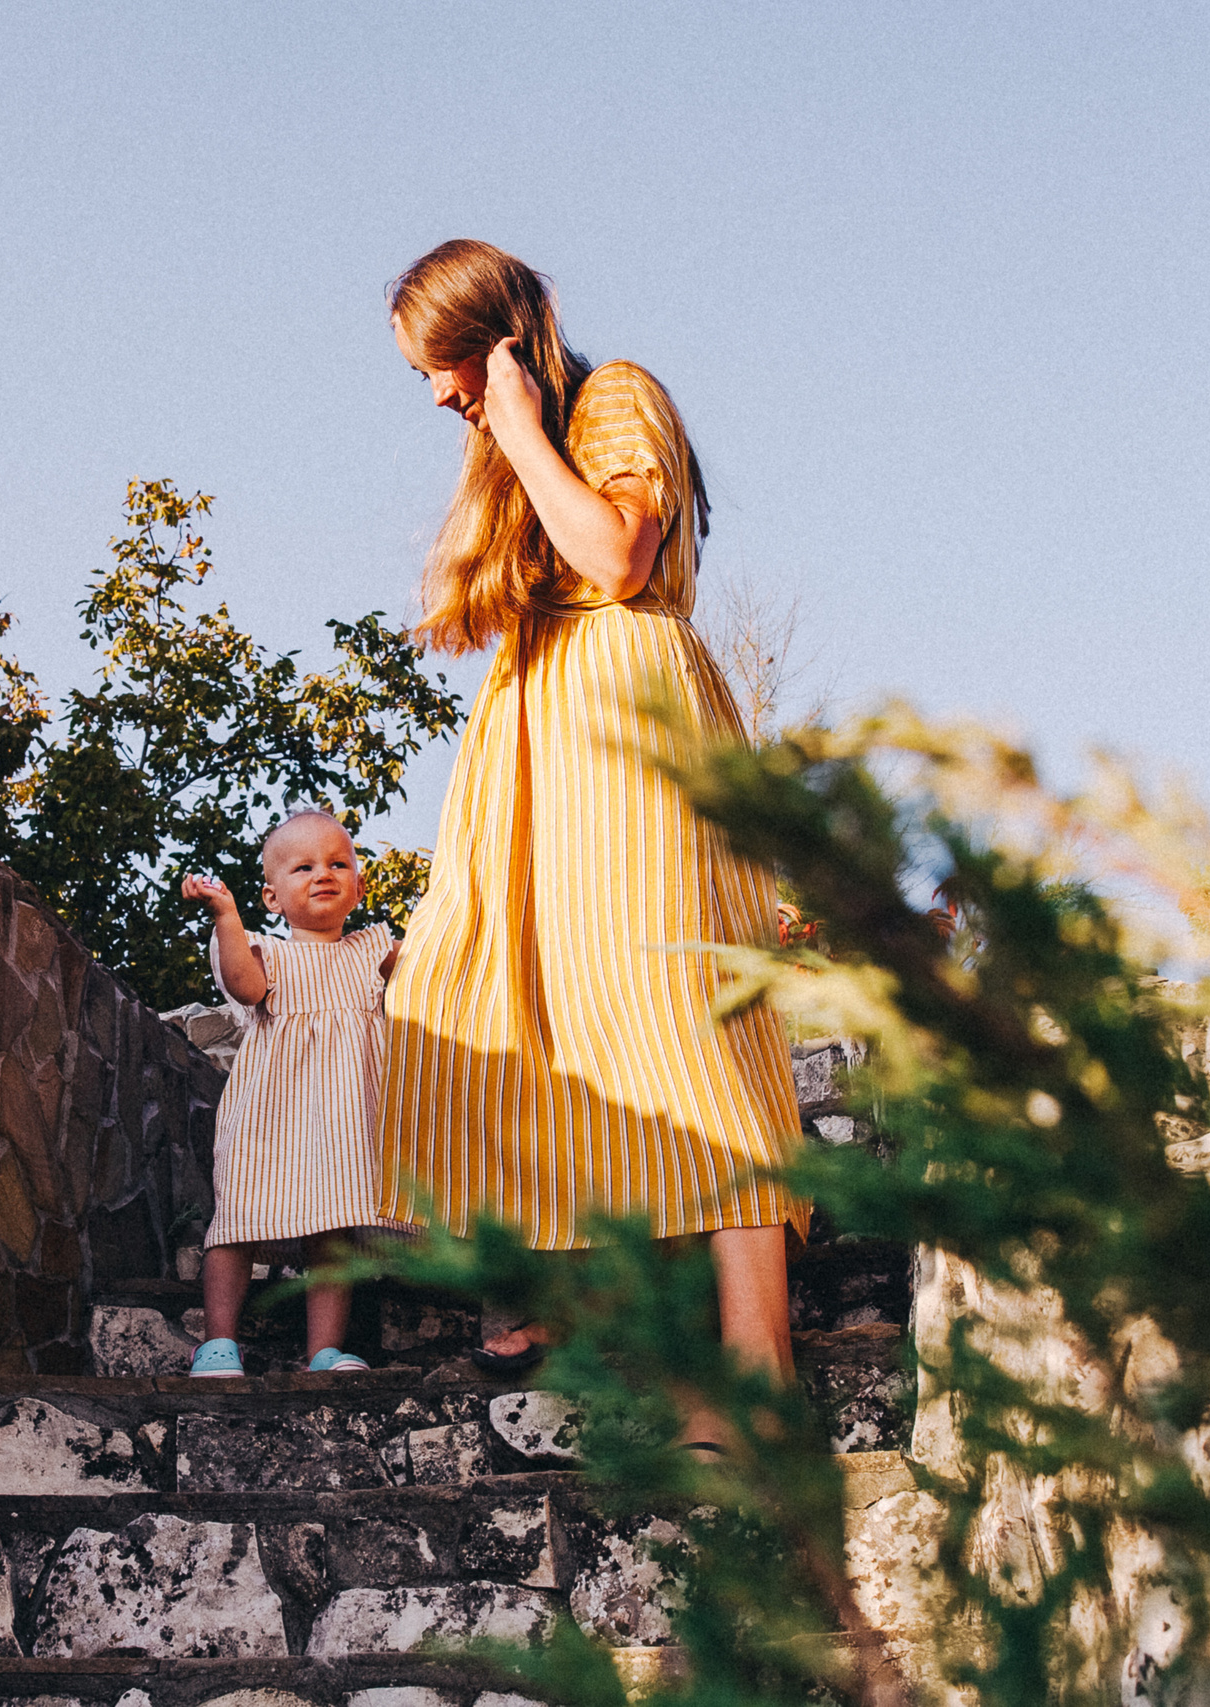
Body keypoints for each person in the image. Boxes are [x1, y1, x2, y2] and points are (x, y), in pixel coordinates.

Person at [376, 239, 807, 1444]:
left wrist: (520, 423)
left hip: (624, 722)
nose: (440, 393)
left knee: (677, 1026)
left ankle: (757, 1377)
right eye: (425, 373)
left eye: (450, 361)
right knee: (486, 1006)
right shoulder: (511, 452)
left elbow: (619, 559)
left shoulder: (611, 395)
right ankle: (592, 1308)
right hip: (533, 746)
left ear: (504, 335)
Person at [181, 810, 405, 1376]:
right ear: (272, 897)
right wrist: (225, 914)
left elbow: (436, 971)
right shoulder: (265, 953)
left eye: (338, 864)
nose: (323, 874)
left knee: (332, 1228)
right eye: (303, 867)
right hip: (270, 1116)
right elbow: (243, 985)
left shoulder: (373, 949)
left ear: (360, 886)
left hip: (343, 1123)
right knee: (239, 1219)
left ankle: (323, 1350)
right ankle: (218, 1342)